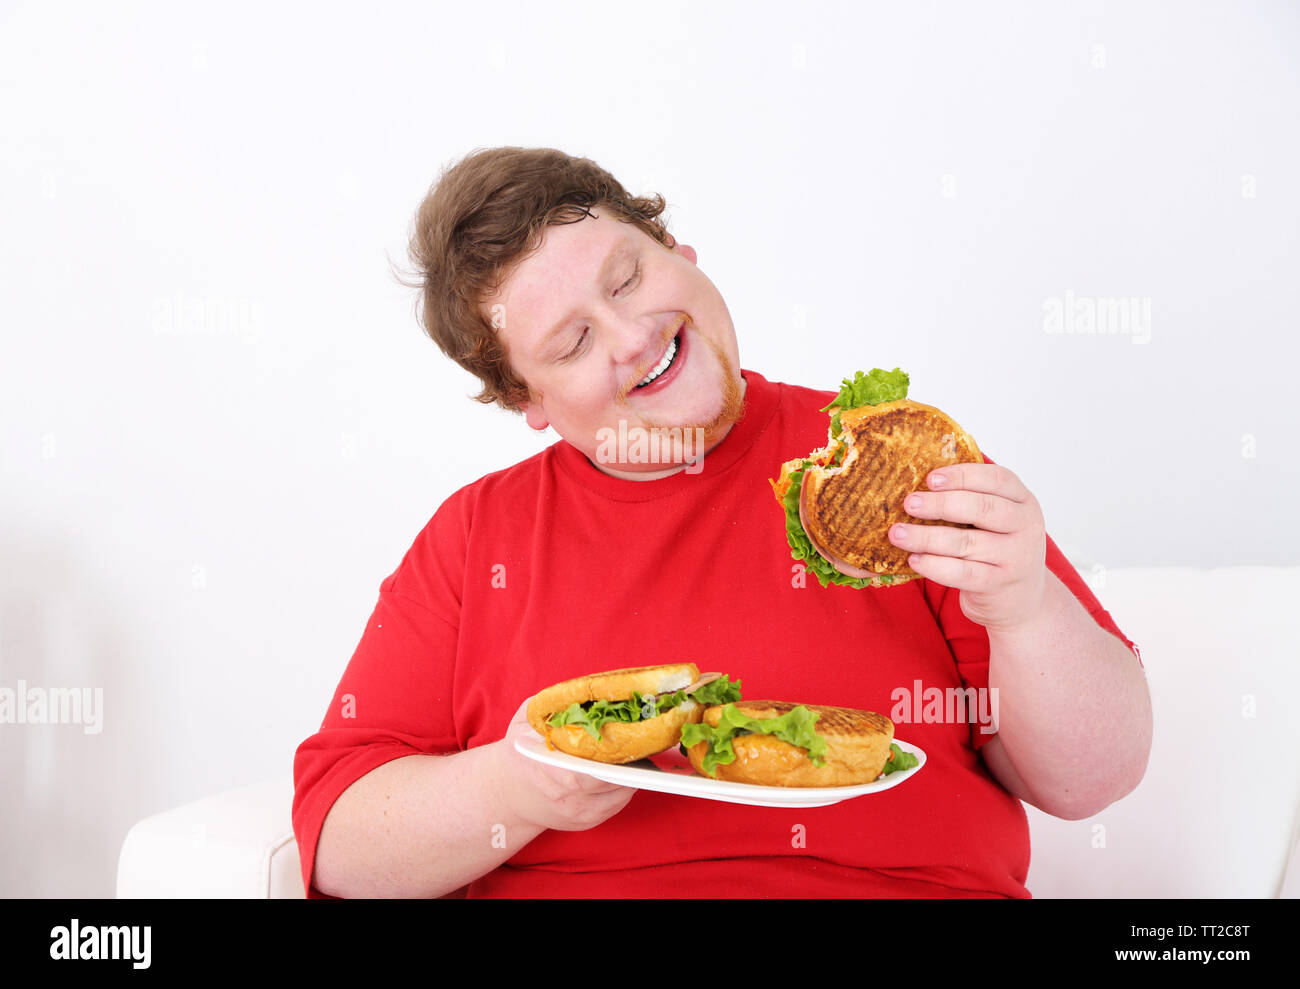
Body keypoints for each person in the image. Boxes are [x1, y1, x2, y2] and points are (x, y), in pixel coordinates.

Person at [292, 146, 1152, 898]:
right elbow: (338, 845)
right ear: (530, 401)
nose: (632, 337)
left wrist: (1024, 608)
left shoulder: (884, 462)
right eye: (572, 342)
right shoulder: (476, 539)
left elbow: (1093, 779)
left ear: (678, 249)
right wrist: (515, 789)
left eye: (628, 278)